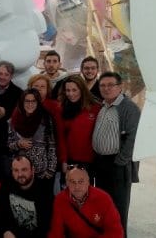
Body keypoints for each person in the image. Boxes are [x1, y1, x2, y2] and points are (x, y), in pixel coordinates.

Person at [92, 72, 140, 235]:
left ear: (120, 87)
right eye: (102, 85)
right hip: (101, 164)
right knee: (103, 206)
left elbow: (134, 138)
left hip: (118, 165)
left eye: (110, 85)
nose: (106, 89)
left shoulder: (129, 108)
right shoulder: (103, 106)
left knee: (118, 208)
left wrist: (120, 161)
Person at [48, 166, 124, 238]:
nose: (77, 186)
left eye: (81, 182)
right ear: (67, 184)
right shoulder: (60, 200)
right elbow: (56, 232)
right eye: (72, 182)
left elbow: (116, 232)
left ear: (88, 182)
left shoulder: (103, 198)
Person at [8, 89, 57, 191]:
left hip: (41, 173)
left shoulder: (46, 119)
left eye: (33, 101)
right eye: (27, 101)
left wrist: (50, 171)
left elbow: (52, 146)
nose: (30, 104)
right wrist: (18, 144)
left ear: (38, 102)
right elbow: (9, 144)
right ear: (22, 102)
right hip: (20, 173)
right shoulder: (14, 119)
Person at [0, 156, 54, 238]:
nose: (20, 174)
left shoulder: (44, 191)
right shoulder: (6, 186)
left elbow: (45, 226)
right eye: (16, 170)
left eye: (24, 169)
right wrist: (6, 231)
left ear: (33, 170)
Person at [57, 75, 100, 178]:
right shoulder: (61, 108)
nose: (71, 94)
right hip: (70, 159)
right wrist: (63, 160)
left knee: (86, 191)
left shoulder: (95, 108)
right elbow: (61, 137)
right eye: (67, 90)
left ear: (82, 89)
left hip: (90, 161)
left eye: (74, 90)